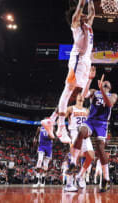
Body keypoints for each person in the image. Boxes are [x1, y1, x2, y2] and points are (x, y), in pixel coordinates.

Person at [41, 0, 95, 144]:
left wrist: (90, 2)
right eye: (82, 13)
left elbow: (93, 13)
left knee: (75, 95)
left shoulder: (88, 26)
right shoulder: (75, 25)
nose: (84, 15)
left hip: (85, 62)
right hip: (77, 59)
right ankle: (60, 128)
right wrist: (82, 2)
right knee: (69, 89)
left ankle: (51, 120)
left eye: (84, 14)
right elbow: (77, 13)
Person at [67, 74, 118, 192]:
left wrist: (102, 90)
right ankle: (73, 163)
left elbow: (109, 103)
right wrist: (89, 79)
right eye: (104, 84)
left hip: (102, 123)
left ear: (110, 88)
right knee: (81, 131)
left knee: (100, 149)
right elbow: (84, 94)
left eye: (107, 85)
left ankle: (106, 179)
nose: (105, 85)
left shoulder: (113, 95)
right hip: (90, 120)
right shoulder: (94, 92)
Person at [64, 92, 95, 192]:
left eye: (83, 94)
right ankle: (69, 184)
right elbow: (60, 118)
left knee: (91, 156)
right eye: (79, 94)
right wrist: (64, 133)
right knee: (74, 159)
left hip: (85, 135)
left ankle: (80, 176)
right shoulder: (70, 108)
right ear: (76, 97)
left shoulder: (87, 110)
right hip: (74, 133)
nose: (81, 95)